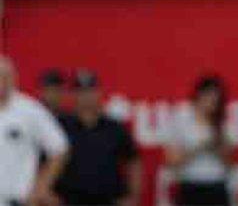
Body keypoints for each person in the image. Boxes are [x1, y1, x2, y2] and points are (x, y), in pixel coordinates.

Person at [54, 70, 141, 206]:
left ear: (100, 93)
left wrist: (133, 197)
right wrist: (46, 193)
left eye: (91, 91)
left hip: (109, 200)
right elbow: (42, 161)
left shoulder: (115, 128)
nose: (86, 96)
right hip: (68, 200)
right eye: (81, 91)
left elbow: (133, 162)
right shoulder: (59, 127)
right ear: (73, 95)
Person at [0, 57, 68, 206]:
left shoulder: (30, 110)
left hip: (17, 201)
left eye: (5, 77)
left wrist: (41, 188)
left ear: (13, 79)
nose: (1, 83)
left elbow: (59, 149)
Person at [165, 75, 233, 205]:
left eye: (216, 99)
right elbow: (172, 160)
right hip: (190, 186)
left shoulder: (221, 122)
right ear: (199, 95)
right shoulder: (181, 119)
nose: (212, 102)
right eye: (209, 97)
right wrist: (198, 149)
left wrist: (219, 149)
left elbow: (230, 164)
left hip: (217, 186)